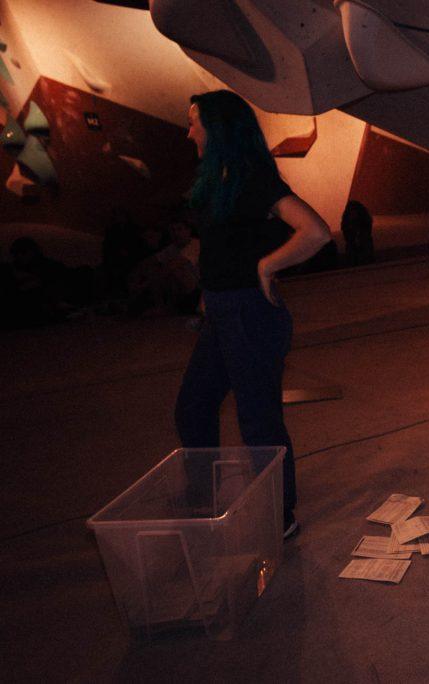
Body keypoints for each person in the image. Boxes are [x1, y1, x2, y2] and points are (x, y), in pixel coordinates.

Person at [176, 90, 330, 540]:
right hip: (222, 312)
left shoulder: (253, 178)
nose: (189, 132)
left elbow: (315, 231)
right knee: (194, 406)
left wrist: (267, 266)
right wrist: (208, 292)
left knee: (258, 420)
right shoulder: (214, 180)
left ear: (218, 128)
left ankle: (280, 518)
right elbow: (219, 246)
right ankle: (204, 500)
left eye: (194, 122)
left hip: (251, 313)